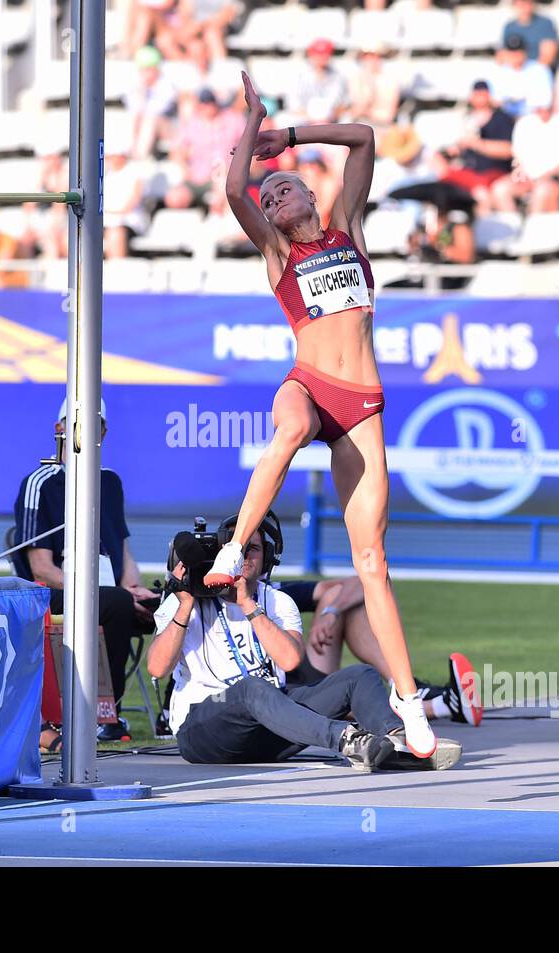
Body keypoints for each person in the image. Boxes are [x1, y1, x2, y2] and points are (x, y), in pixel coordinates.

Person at [202, 72, 440, 759]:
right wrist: (252, 124)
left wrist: (289, 135)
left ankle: (408, 701)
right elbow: (234, 191)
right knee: (294, 426)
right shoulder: (280, 254)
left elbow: (362, 138)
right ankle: (233, 547)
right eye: (269, 196)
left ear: (313, 194)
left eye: (286, 188)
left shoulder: (349, 233)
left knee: (372, 562)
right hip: (307, 384)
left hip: (361, 406)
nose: (274, 197)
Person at [149, 517, 462, 771]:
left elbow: (288, 660)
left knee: (359, 676)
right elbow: (157, 668)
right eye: (236, 549)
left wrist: (247, 605)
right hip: (204, 730)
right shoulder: (184, 601)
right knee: (252, 688)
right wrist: (185, 604)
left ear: (267, 557)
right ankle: (348, 740)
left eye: (252, 549)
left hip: (271, 726)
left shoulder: (277, 601)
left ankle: (398, 743)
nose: (243, 557)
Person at [12, 399, 158, 742]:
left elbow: (123, 552)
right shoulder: (41, 483)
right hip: (57, 594)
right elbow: (41, 569)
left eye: (97, 425)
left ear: (104, 432)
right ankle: (105, 715)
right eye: (79, 424)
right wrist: (103, 594)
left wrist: (135, 589)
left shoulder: (110, 482)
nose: (89, 432)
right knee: (117, 604)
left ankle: (176, 711)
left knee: (174, 601)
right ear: (60, 429)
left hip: (111, 595)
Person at [273, 578, 482, 725]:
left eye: (257, 549)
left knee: (342, 596)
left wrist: (331, 612)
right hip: (276, 695)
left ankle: (404, 685)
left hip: (306, 677)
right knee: (347, 695)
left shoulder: (273, 591)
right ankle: (442, 705)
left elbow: (360, 582)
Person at [433, 79, 515, 213]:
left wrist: (478, 144)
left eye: (482, 94)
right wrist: (455, 150)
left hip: (494, 173)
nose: (479, 98)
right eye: (476, 94)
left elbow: (507, 150)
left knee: (483, 194)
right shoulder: (466, 119)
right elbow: (456, 148)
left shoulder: (502, 119)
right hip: (470, 172)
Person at [489, 33, 554, 121]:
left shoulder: (540, 70)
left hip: (533, 118)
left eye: (518, 51)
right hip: (505, 119)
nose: (515, 55)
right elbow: (496, 101)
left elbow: (544, 103)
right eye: (512, 52)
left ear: (525, 52)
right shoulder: (499, 71)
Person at [289, 38, 350, 127]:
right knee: (284, 119)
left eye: (326, 53)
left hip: (331, 120)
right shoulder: (299, 76)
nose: (323, 57)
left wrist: (330, 117)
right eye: (319, 53)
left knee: (348, 119)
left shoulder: (338, 76)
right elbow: (293, 106)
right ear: (311, 55)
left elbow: (344, 105)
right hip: (305, 121)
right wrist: (313, 119)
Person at [501, 0, 558, 69]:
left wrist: (530, 70)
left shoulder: (545, 24)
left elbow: (548, 56)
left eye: (528, 2)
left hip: (538, 69)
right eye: (522, 2)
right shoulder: (509, 26)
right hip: (515, 69)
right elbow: (503, 55)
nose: (525, 5)